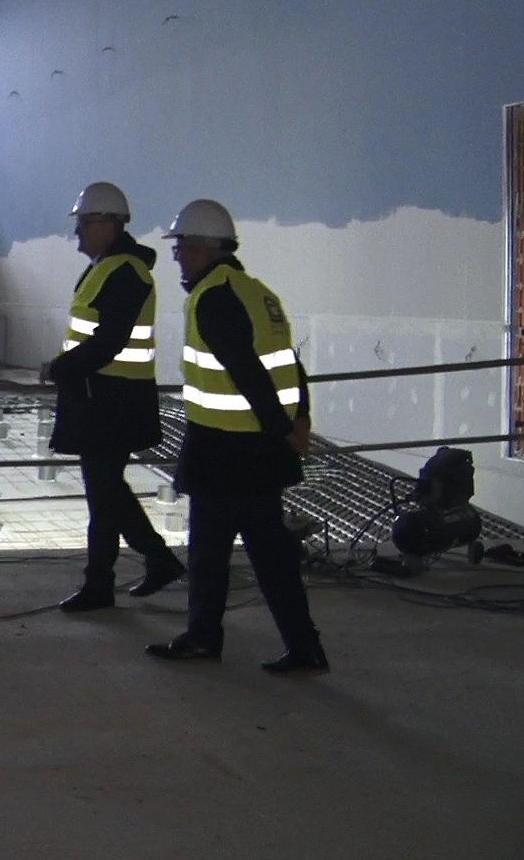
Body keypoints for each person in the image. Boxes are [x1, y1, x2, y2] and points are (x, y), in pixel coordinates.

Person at [146, 199, 328, 674]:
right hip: (256, 451)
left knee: (210, 553)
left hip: (226, 450)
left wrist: (284, 429)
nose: (178, 258)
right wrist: (298, 420)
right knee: (270, 555)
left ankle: (205, 637)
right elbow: (288, 362)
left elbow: (248, 372)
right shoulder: (255, 292)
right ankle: (303, 645)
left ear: (207, 250)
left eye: (183, 248)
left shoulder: (214, 297)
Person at [44, 182, 185, 612]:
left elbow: (109, 341)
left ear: (111, 224)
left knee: (103, 496)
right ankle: (157, 561)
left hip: (112, 400)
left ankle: (101, 585)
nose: (79, 232)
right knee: (107, 491)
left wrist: (60, 368)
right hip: (100, 397)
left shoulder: (124, 271)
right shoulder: (107, 268)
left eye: (85, 223)